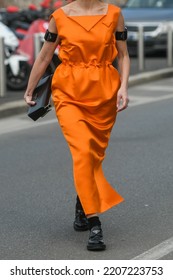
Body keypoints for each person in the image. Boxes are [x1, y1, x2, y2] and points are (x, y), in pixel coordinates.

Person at [24, 0, 130, 251]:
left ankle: (83, 201)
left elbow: (124, 54)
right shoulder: (59, 17)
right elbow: (45, 55)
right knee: (82, 153)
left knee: (93, 156)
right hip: (68, 94)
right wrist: (30, 90)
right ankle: (95, 222)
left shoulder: (115, 14)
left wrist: (124, 86)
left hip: (105, 93)